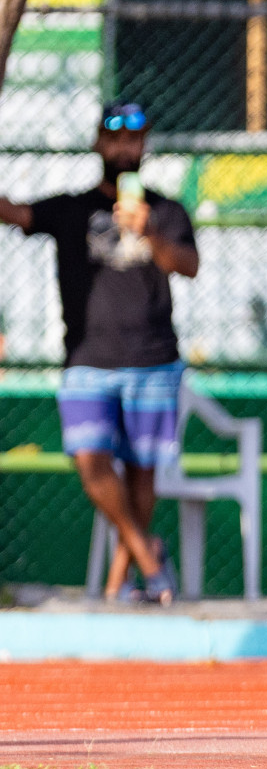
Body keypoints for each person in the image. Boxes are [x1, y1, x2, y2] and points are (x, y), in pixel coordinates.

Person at [0, 101, 199, 605]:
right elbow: (16, 213)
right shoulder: (71, 208)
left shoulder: (167, 211)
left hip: (154, 360)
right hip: (87, 359)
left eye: (134, 139)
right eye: (115, 138)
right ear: (98, 145)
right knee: (92, 465)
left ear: (144, 146)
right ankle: (151, 558)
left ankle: (119, 586)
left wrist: (148, 230)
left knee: (141, 475)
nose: (125, 148)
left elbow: (188, 264)